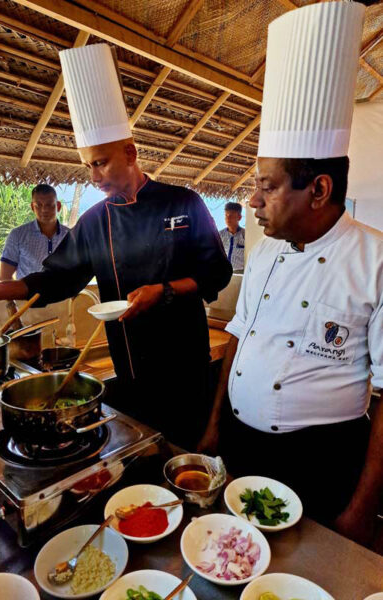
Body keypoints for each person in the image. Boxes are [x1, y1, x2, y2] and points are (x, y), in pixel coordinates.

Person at [0, 43, 232, 450]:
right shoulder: (96, 220)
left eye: (100, 162)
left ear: (130, 152)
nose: (94, 174)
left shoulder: (183, 203)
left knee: (185, 454)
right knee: (142, 453)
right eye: (88, 166)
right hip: (130, 367)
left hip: (185, 365)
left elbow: (216, 275)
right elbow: (57, 278)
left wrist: (165, 291)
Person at [199, 1, 382, 546]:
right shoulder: (266, 252)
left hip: (321, 464)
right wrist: (213, 428)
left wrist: (359, 514)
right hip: (239, 446)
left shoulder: (376, 263)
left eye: (268, 186)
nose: (252, 201)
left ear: (319, 190)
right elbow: (238, 339)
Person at [0, 184, 69, 280]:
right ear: (32, 207)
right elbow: (5, 277)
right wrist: (22, 294)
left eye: (49, 204)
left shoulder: (69, 236)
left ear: (58, 206)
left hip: (62, 295)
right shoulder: (18, 235)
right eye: (38, 205)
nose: (44, 210)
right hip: (27, 295)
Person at [219, 202, 245, 272]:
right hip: (222, 271)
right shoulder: (219, 235)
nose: (228, 218)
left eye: (231, 215)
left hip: (240, 272)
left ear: (239, 217)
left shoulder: (245, 235)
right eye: (226, 215)